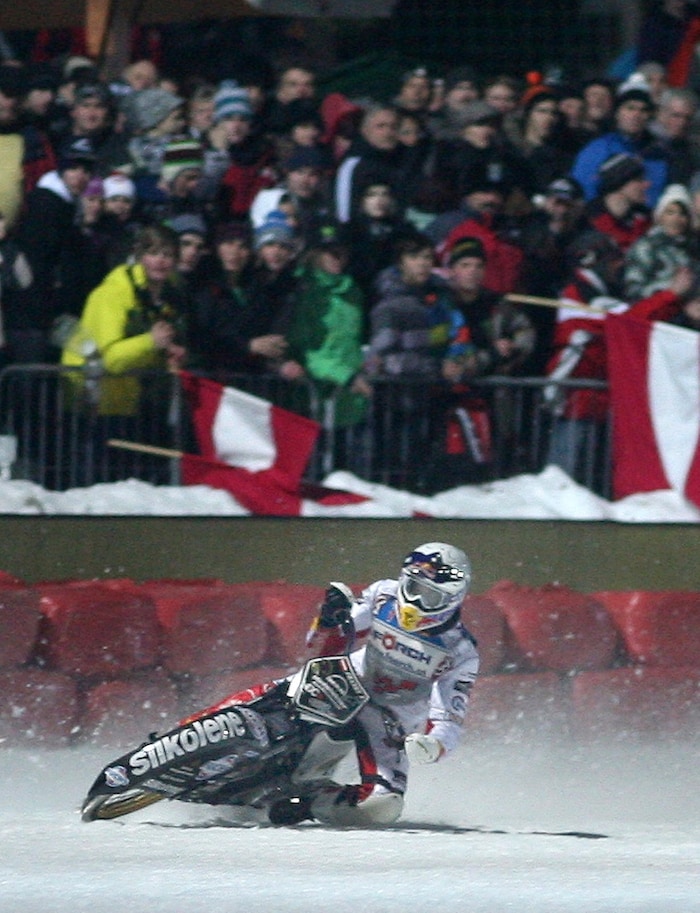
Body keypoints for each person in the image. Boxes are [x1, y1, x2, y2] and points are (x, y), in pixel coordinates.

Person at [266, 542, 479, 826]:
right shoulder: (383, 594)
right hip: (346, 681)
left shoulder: (461, 650)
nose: (417, 603)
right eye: (415, 588)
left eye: (431, 596)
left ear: (454, 598)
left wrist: (434, 746)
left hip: (391, 717)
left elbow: (449, 719)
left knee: (384, 804)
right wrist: (329, 620)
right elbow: (329, 640)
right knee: (282, 692)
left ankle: (311, 801)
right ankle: (237, 712)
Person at [571, 74, 670, 207]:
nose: (636, 115)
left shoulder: (658, 154)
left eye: (643, 110)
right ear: (617, 113)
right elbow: (583, 192)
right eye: (630, 108)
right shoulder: (598, 149)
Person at [623, 182, 699, 299]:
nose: (676, 219)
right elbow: (632, 290)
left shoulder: (692, 248)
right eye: (670, 212)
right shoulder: (646, 246)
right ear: (660, 216)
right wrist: (670, 289)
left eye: (683, 214)